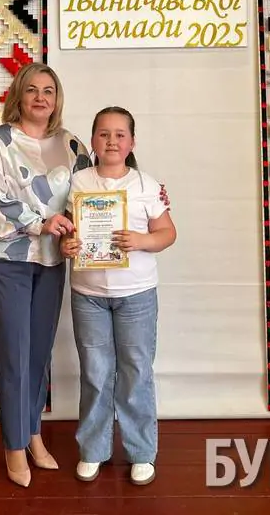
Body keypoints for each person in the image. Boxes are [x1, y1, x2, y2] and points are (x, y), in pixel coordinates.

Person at [0, 62, 91, 488]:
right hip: (7, 258)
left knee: (38, 353)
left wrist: (82, 234)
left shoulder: (73, 145)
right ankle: (13, 444)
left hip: (51, 260)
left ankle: (33, 433)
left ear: (57, 99)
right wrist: (41, 223)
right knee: (13, 352)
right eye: (32, 90)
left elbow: (89, 196)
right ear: (18, 96)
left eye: (49, 90)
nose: (41, 97)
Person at [60, 106, 177, 486]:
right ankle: (93, 450)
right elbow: (67, 233)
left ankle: (141, 452)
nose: (112, 141)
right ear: (93, 140)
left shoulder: (147, 185)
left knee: (136, 372)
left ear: (132, 142)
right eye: (104, 134)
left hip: (136, 295)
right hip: (88, 294)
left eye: (120, 134)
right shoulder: (78, 182)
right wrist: (67, 245)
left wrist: (142, 240)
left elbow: (167, 233)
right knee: (95, 373)